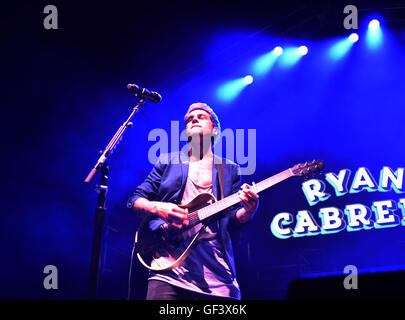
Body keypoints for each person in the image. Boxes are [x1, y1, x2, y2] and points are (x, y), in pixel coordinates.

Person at [127, 102, 259, 300]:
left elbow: (230, 219)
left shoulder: (230, 169)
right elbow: (135, 200)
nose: (193, 119)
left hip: (216, 273)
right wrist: (158, 207)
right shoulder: (168, 161)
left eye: (201, 117)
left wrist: (247, 211)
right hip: (168, 270)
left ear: (214, 130)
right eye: (189, 119)